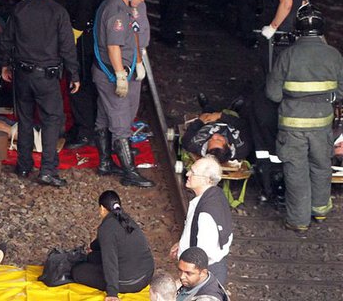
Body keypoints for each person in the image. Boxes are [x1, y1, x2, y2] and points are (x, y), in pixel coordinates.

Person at [266, 5, 343, 231]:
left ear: (297, 29)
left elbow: (273, 95)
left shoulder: (287, 55)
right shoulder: (333, 55)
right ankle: (320, 211)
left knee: (296, 170)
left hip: (292, 126)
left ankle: (298, 221)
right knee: (321, 166)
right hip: (322, 124)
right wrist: (328, 97)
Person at [1, 0, 79, 187]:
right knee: (51, 120)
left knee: (24, 118)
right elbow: (67, 47)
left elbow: (7, 40)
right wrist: (74, 74)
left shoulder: (20, 9)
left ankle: (24, 165)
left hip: (22, 73)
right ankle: (47, 170)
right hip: (47, 76)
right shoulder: (59, 13)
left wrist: (5, 65)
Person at [93, 0, 154, 187]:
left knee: (103, 116)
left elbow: (134, 35)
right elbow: (113, 46)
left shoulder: (125, 7)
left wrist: (138, 62)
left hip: (115, 71)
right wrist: (120, 75)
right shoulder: (116, 11)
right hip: (111, 73)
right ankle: (130, 172)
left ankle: (105, 163)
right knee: (120, 122)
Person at [49, 0, 104, 148]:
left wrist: (76, 29)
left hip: (83, 33)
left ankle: (84, 131)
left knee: (78, 81)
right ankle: (85, 126)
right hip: (89, 31)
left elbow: (84, 1)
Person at [71, 190, 155, 298]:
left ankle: (112, 285)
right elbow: (104, 243)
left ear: (102, 208)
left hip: (130, 283)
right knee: (92, 257)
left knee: (78, 271)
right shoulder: (126, 219)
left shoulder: (106, 228)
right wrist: (93, 247)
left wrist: (112, 292)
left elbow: (110, 261)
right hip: (146, 275)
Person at [169, 157, 233, 286]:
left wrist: (183, 282)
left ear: (207, 180)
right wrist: (182, 243)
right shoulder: (215, 195)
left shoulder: (206, 214)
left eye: (193, 172)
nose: (187, 174)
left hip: (203, 273)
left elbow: (203, 254)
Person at [181, 109, 251, 164]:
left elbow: (186, 138)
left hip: (208, 122)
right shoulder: (242, 149)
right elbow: (244, 125)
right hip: (230, 121)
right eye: (219, 140)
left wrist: (200, 121)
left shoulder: (194, 145)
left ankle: (206, 106)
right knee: (232, 113)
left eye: (210, 140)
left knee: (208, 110)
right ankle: (234, 108)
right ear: (229, 145)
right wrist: (220, 116)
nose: (214, 136)